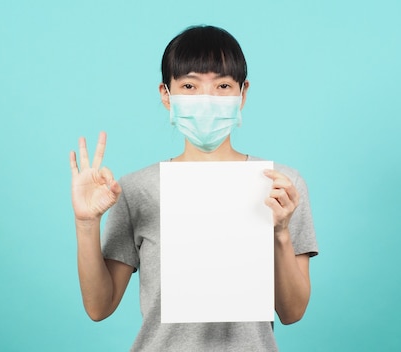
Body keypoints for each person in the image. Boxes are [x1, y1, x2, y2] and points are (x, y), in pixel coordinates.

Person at [69, 25, 318, 351]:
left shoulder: (280, 186)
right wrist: (86, 223)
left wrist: (281, 233)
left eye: (223, 85)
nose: (206, 100)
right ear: (166, 95)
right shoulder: (135, 190)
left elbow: (293, 312)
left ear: (242, 95)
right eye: (189, 85)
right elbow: (99, 307)